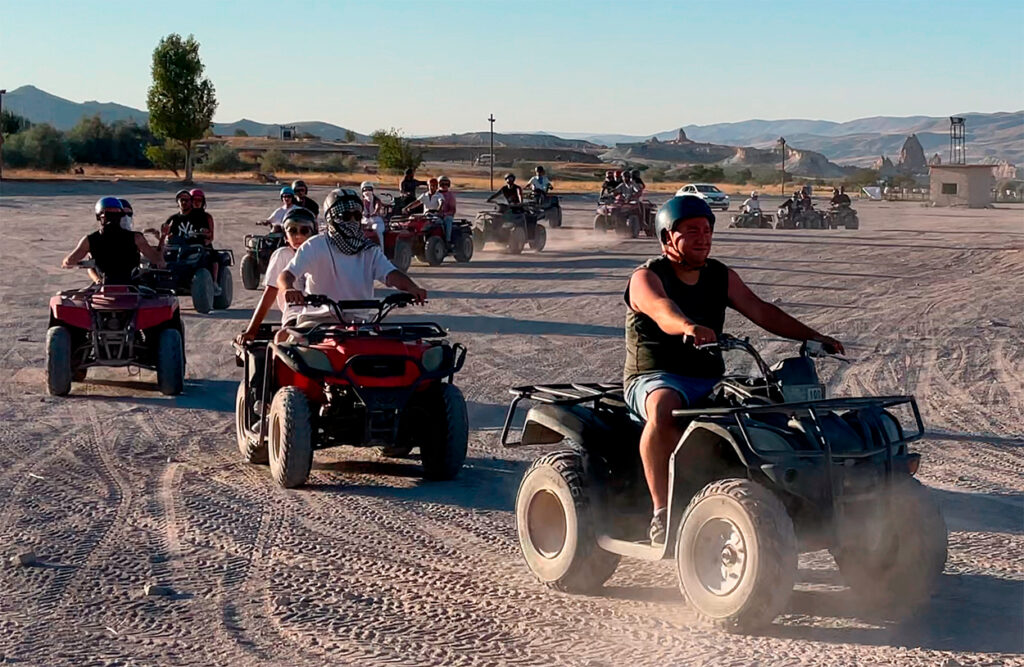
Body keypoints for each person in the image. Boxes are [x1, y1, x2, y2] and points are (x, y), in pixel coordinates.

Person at [623, 195, 844, 544]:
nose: (703, 237)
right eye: (691, 230)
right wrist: (687, 326)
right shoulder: (647, 277)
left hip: (709, 380)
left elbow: (762, 311)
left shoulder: (719, 275)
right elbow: (661, 309)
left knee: (772, 407)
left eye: (707, 230)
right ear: (667, 238)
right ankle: (662, 512)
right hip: (655, 377)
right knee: (664, 409)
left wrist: (814, 336)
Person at [278, 188, 427, 326]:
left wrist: (412, 287)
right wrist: (288, 289)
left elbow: (391, 274)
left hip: (358, 323)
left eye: (357, 216)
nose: (352, 222)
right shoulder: (316, 245)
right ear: (332, 218)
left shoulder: (369, 250)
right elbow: (287, 274)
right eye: (346, 216)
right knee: (299, 350)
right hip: (318, 320)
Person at [237, 207, 317, 344]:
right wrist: (252, 330)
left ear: (313, 234)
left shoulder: (320, 254)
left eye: (304, 231)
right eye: (292, 231)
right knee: (283, 340)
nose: (298, 236)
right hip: (296, 317)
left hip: (324, 316)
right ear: (285, 236)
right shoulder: (283, 255)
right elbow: (270, 293)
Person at [63, 197, 165, 284]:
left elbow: (69, 262)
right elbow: (158, 260)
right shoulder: (136, 238)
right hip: (131, 287)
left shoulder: (89, 240)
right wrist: (163, 238)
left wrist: (81, 263)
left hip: (103, 286)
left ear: (99, 217)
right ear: (120, 216)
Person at [360, 181, 386, 246]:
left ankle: (381, 250)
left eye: (369, 189)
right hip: (364, 221)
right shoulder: (360, 201)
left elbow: (378, 206)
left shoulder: (376, 200)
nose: (367, 191)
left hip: (376, 221)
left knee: (377, 230)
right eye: (365, 189)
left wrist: (375, 212)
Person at [437, 175, 457, 244]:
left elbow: (453, 210)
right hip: (434, 215)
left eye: (446, 184)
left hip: (446, 215)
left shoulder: (450, 195)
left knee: (448, 221)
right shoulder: (435, 194)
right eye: (442, 184)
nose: (444, 186)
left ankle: (447, 240)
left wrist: (444, 214)